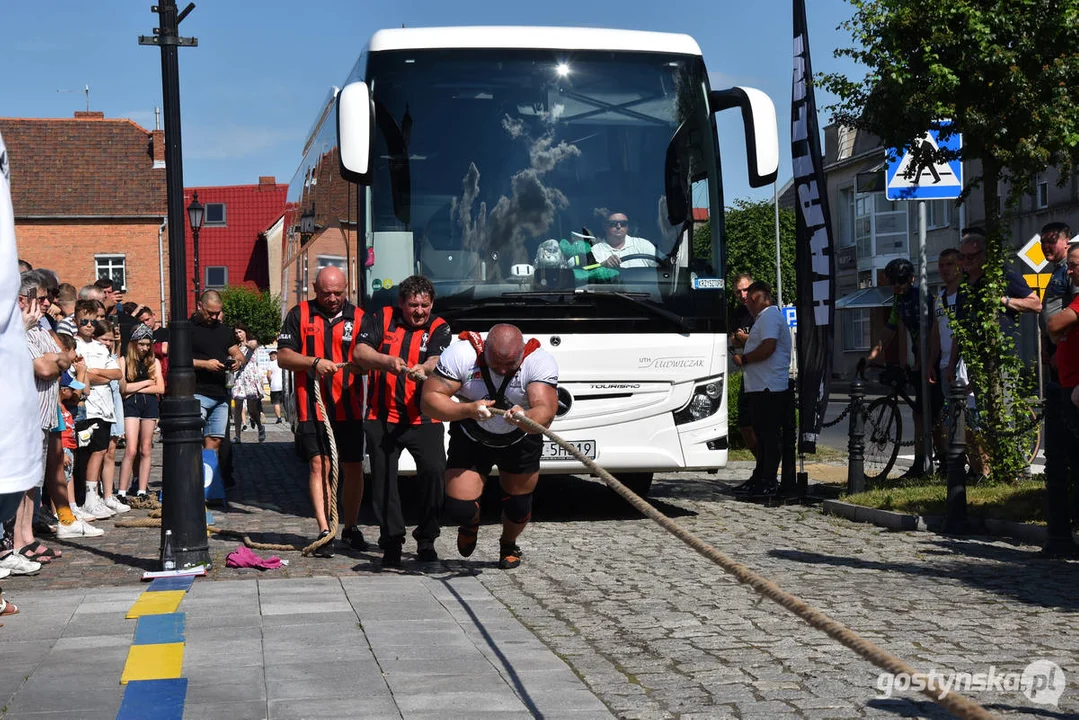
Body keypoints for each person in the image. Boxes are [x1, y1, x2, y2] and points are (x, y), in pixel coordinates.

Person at [422, 323, 558, 569]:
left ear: (521, 354)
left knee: (518, 506)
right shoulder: (462, 354)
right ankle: (470, 523)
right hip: (471, 436)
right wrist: (467, 410)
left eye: (510, 365)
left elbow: (546, 412)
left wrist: (526, 417)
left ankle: (508, 544)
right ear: (484, 352)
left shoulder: (538, 360)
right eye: (497, 363)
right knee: (459, 508)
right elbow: (429, 401)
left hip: (519, 439)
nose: (503, 369)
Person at [353, 275, 452, 567]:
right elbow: (360, 352)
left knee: (435, 474)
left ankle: (426, 537)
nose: (419, 311)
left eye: (425, 305)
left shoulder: (440, 326)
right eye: (413, 305)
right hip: (381, 417)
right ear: (400, 303)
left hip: (424, 417)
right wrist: (386, 361)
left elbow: (438, 359)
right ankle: (392, 542)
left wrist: (423, 366)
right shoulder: (381, 318)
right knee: (384, 483)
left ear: (432, 304)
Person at [276, 267, 367, 557]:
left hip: (349, 405)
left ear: (347, 289)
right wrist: (314, 362)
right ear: (315, 288)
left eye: (338, 293)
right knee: (320, 466)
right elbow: (283, 357)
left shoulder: (361, 318)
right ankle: (325, 528)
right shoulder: (298, 314)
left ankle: (350, 526)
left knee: (352, 466)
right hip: (311, 406)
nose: (332, 298)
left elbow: (369, 355)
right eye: (326, 293)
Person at [948, 230, 1041, 481]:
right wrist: (951, 364)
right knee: (986, 416)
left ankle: (1019, 469)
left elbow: (1035, 303)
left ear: (984, 255)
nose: (966, 262)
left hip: (1002, 357)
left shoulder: (1001, 277)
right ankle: (996, 468)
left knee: (1005, 411)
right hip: (976, 360)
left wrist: (1005, 300)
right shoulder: (965, 286)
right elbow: (959, 328)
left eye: (971, 257)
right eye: (963, 257)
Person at [865, 258, 933, 477]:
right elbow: (890, 329)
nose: (897, 285)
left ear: (911, 279)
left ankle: (944, 459)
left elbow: (927, 332)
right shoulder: (899, 300)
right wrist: (872, 355)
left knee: (934, 411)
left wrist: (923, 362)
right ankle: (920, 462)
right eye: (893, 281)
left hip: (933, 356)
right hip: (919, 357)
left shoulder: (920, 298)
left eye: (901, 280)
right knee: (919, 414)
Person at [732, 281, 794, 497]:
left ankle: (768, 480)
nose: (746, 304)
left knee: (768, 436)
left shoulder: (769, 316)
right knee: (761, 433)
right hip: (761, 386)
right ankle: (760, 476)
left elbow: (769, 347)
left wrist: (745, 358)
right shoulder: (765, 318)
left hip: (769, 387)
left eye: (749, 300)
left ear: (758, 298)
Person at [1040, 227, 1079, 558]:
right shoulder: (1059, 276)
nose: (1070, 269)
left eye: (1075, 264)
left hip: (1075, 385)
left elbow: (1055, 323)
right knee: (1063, 461)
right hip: (1064, 381)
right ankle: (1061, 537)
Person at [190, 290, 249, 452]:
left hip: (221, 394)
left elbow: (238, 354)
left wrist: (237, 362)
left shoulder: (223, 331)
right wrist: (204, 364)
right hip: (197, 392)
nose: (215, 317)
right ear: (200, 306)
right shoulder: (189, 328)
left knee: (215, 440)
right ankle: (196, 475)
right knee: (194, 438)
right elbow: (178, 360)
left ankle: (208, 475)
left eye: (218, 313)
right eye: (211, 313)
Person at [116, 325, 164, 506]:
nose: (144, 348)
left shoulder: (154, 362)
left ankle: (142, 489)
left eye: (147, 344)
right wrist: (146, 382)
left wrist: (135, 388)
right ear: (134, 343)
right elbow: (123, 388)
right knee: (131, 449)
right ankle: (121, 490)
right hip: (131, 407)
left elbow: (160, 388)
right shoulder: (124, 360)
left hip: (149, 406)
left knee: (146, 448)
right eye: (141, 344)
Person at [729, 273, 757, 464]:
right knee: (744, 423)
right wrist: (742, 338)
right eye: (738, 291)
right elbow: (732, 339)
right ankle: (760, 464)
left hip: (765, 375)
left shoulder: (764, 311)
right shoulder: (737, 313)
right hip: (747, 372)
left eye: (746, 289)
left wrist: (745, 337)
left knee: (762, 425)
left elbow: (765, 341)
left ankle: (769, 471)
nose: (743, 294)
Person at [231, 324, 265, 444]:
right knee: (238, 406)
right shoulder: (234, 347)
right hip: (239, 378)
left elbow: (252, 346)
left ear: (245, 332)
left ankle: (260, 427)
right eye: (236, 333)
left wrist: (243, 344)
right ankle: (237, 435)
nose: (238, 335)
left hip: (250, 377)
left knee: (252, 409)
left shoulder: (251, 342)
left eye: (240, 332)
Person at [590, 212, 658, 269]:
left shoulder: (643, 244)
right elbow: (587, 272)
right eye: (613, 223)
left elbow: (663, 266)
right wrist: (603, 265)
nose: (619, 226)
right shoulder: (596, 250)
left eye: (623, 224)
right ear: (605, 226)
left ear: (627, 227)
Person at [266, 350, 284, 424]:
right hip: (283, 385)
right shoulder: (282, 363)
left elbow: (268, 375)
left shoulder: (270, 364)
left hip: (274, 386)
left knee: (276, 403)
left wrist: (270, 383)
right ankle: (287, 415)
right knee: (285, 402)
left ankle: (279, 418)